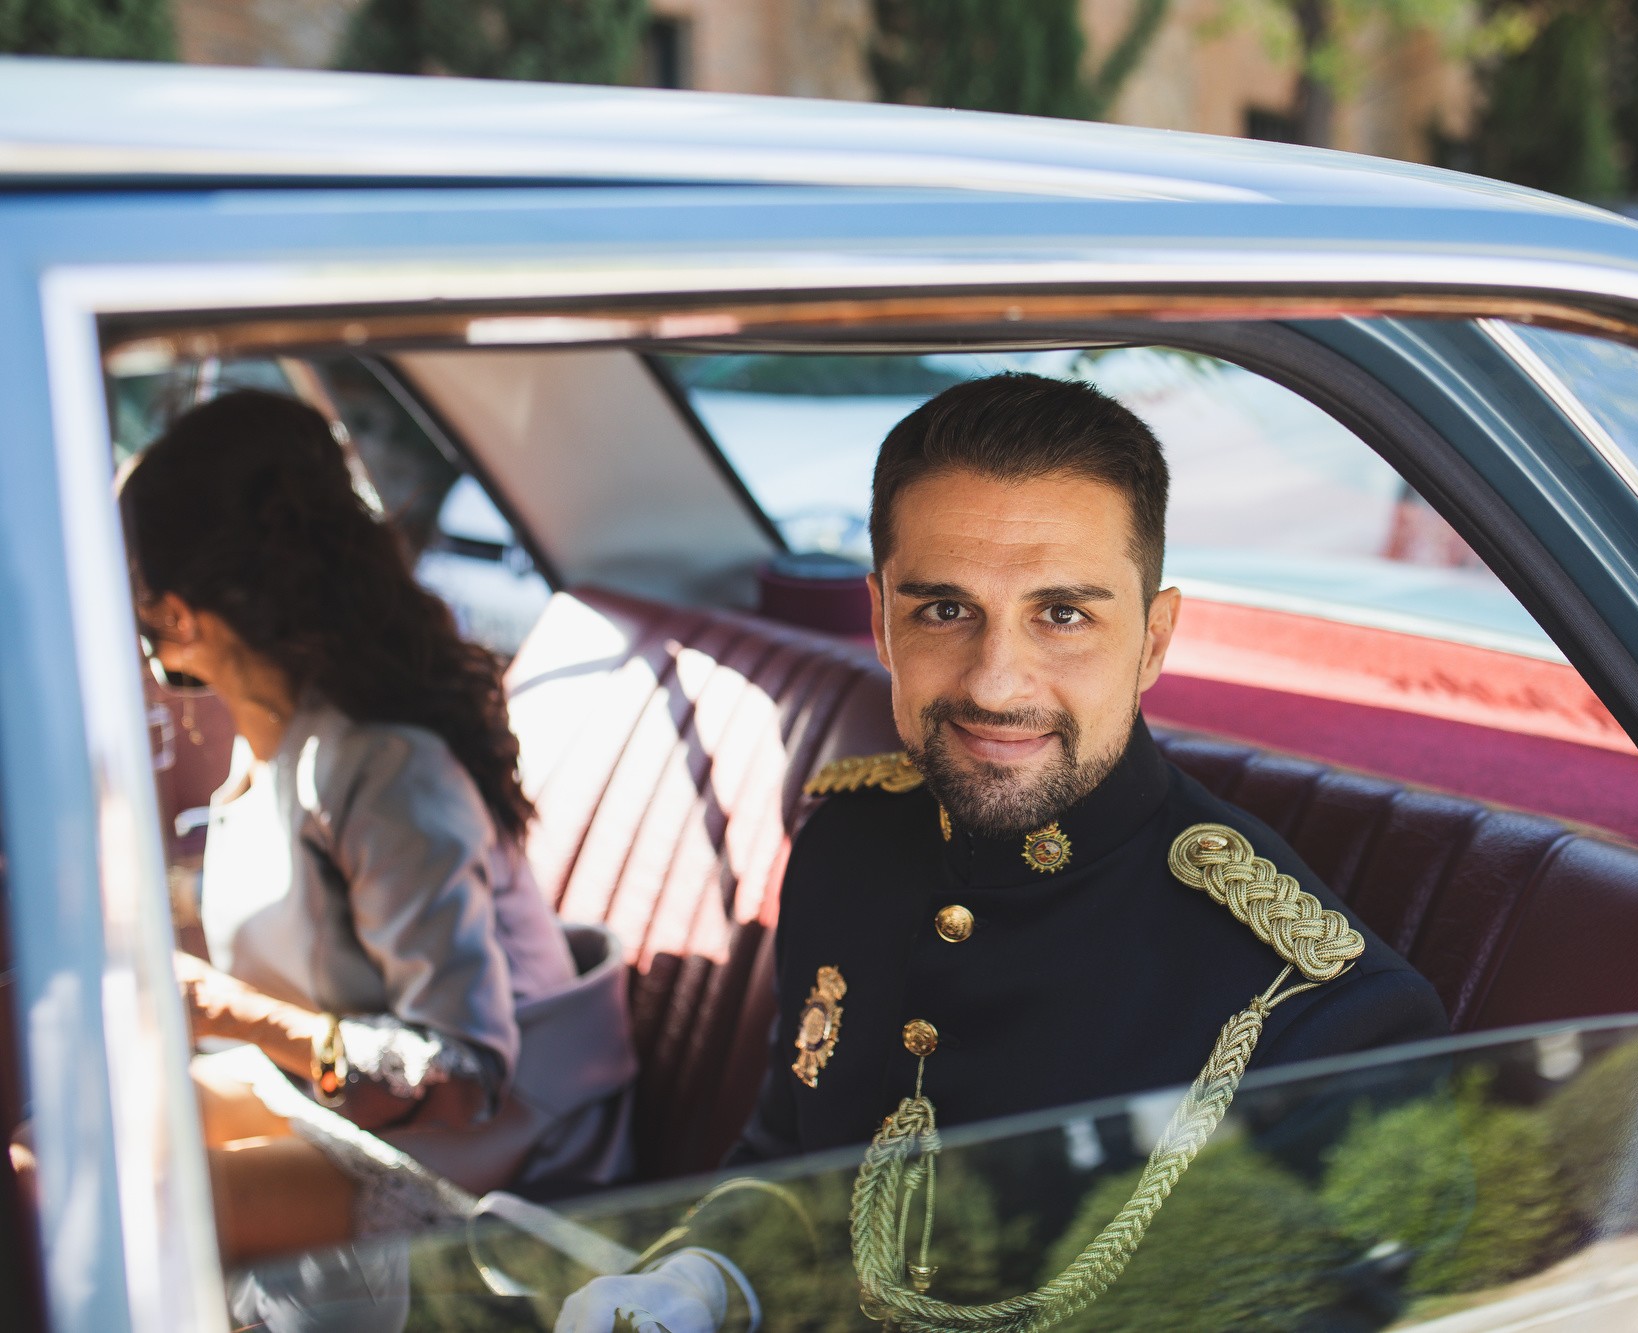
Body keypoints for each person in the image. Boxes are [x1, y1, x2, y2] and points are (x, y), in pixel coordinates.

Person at [730, 371, 1447, 1172]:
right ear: (881, 623)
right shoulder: (845, 843)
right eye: (944, 609)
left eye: (1063, 615)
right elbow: (783, 1162)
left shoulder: (1318, 1018)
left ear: (1154, 640)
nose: (995, 683)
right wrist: (705, 1281)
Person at [118, 390, 635, 1273]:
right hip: (343, 1103)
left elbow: (464, 1073)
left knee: (134, 1209)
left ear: (176, 612)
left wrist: (217, 1007)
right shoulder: (278, 739)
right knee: (64, 1144)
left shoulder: (385, 767)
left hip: (498, 1157)